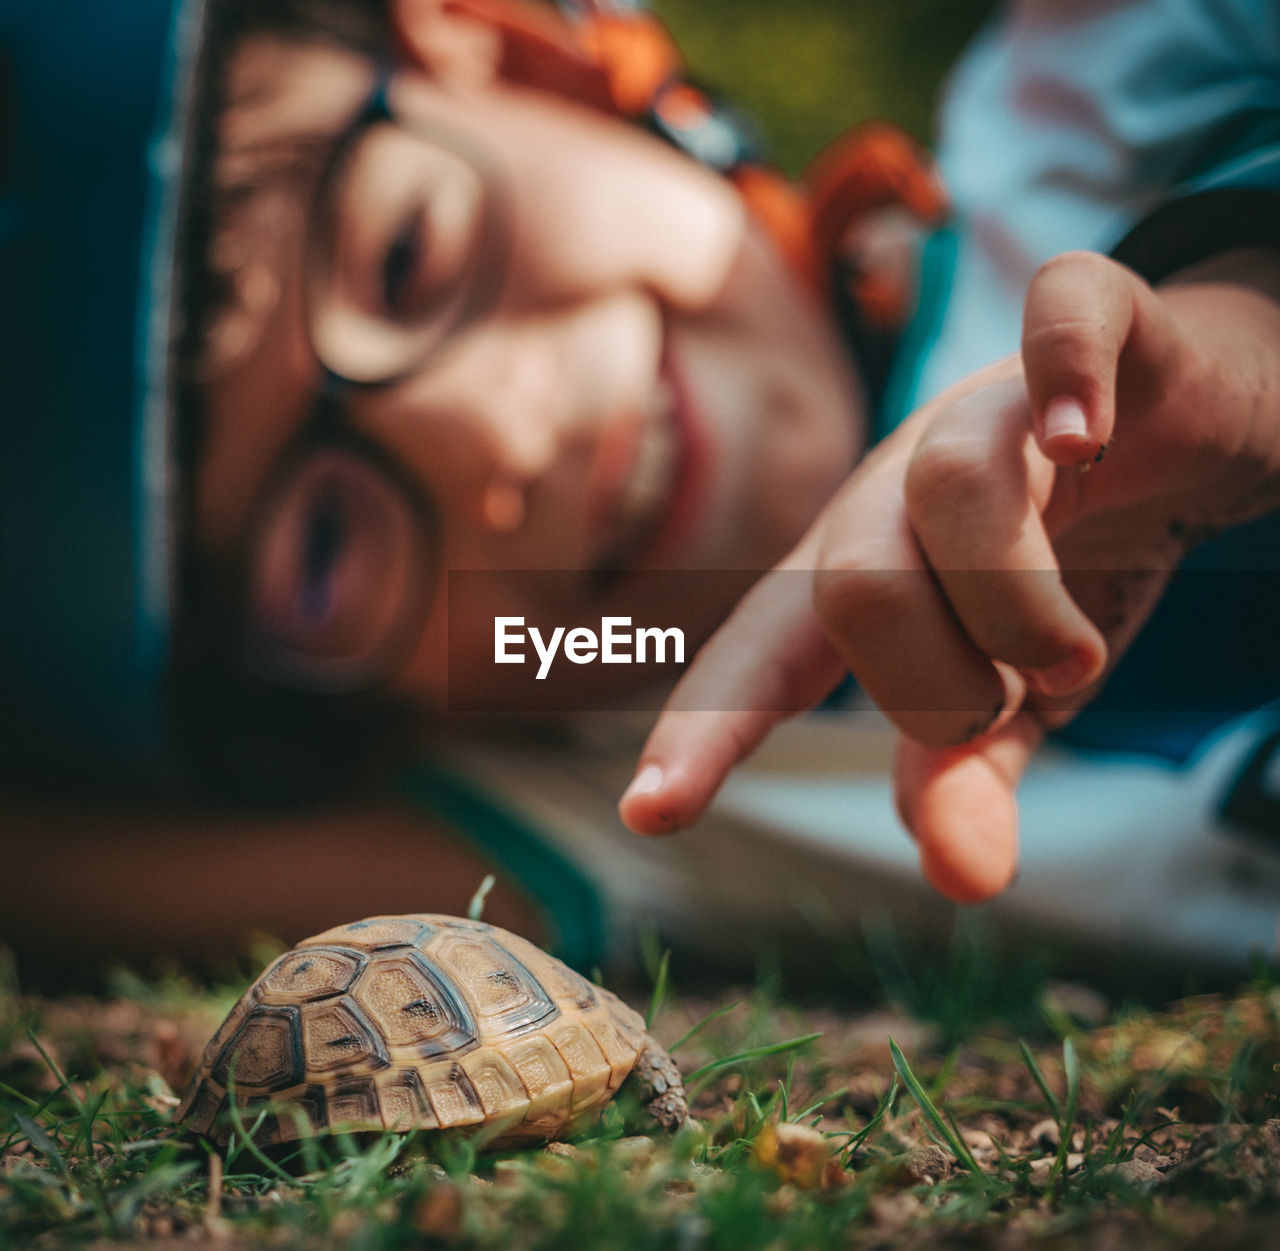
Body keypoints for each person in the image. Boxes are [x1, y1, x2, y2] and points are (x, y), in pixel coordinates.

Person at [2, 0, 1278, 981]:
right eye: (323, 553)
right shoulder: (669, 787)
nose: (496, 443)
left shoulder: (1135, 73)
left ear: (513, 45)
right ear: (391, 720)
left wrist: (1243, 314)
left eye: (405, 251)